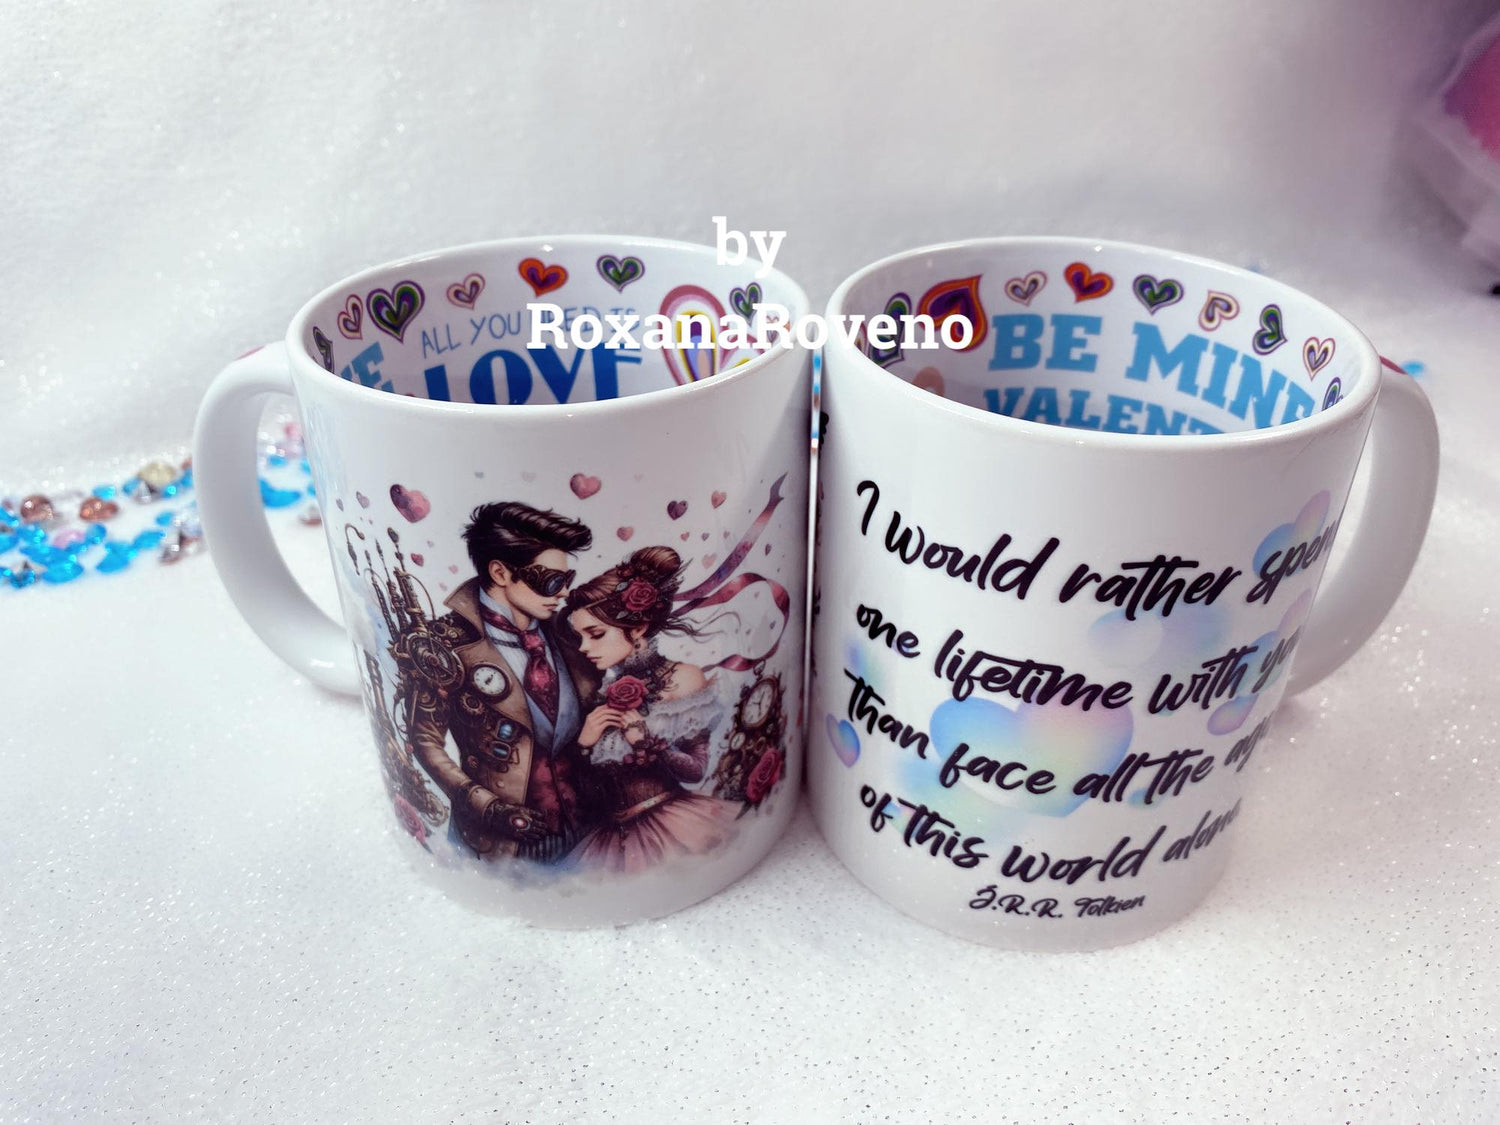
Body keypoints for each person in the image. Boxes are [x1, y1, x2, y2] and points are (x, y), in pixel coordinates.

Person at [404, 501, 600, 863]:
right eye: (551, 581)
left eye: (567, 580)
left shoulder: (571, 637)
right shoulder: (444, 644)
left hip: (587, 832)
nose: (562, 593)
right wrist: (488, 807)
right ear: (500, 572)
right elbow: (425, 741)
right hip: (501, 842)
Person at [563, 546, 739, 872]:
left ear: (638, 629)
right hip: (611, 836)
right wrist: (584, 744)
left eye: (596, 634)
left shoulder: (683, 678)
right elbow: (587, 787)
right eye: (580, 637)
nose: (585, 647)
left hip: (672, 825)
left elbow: (696, 770)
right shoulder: (603, 692)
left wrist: (646, 743)